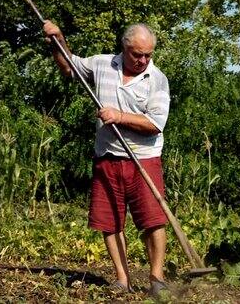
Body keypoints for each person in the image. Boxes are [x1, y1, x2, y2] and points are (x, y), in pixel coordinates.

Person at [43, 20, 170, 296]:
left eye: (148, 55)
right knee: (110, 221)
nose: (143, 60)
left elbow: (155, 123)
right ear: (124, 48)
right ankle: (122, 279)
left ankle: (156, 279)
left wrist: (119, 116)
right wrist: (58, 40)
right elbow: (69, 67)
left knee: (153, 220)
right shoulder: (102, 64)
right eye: (138, 54)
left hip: (143, 158)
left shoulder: (157, 79)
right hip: (107, 156)